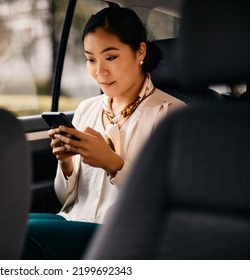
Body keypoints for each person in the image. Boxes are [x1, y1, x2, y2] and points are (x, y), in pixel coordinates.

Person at [22, 6, 186, 260]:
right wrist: (65, 163)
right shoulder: (86, 108)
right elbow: (66, 198)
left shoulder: (172, 116)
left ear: (139, 51)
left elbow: (169, 204)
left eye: (110, 57)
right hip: (74, 219)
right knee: (2, 224)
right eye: (91, 59)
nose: (99, 72)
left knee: (27, 233)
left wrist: (112, 163)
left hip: (127, 234)